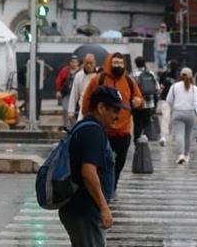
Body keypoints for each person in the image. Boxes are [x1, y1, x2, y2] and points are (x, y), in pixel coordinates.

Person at [28, 86, 125, 247]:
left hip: (77, 209)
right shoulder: (93, 131)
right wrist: (104, 207)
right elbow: (88, 172)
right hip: (84, 210)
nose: (118, 115)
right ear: (101, 107)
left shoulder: (87, 128)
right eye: (114, 110)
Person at [81, 52, 144, 188]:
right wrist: (88, 118)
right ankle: (102, 188)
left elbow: (140, 99)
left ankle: (111, 187)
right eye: (115, 63)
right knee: (101, 162)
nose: (118, 66)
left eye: (121, 63)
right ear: (109, 63)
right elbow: (86, 100)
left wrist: (137, 102)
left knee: (119, 163)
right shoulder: (98, 80)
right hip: (103, 130)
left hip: (123, 131)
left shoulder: (129, 81)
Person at [164, 67, 197, 164]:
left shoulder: (174, 86)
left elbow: (168, 100)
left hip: (178, 113)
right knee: (188, 136)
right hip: (190, 114)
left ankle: (181, 154)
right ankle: (186, 155)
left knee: (179, 135)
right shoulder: (194, 88)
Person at [132, 56, 158, 144]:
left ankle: (137, 141)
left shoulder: (134, 75)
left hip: (138, 104)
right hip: (150, 104)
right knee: (146, 123)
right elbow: (156, 88)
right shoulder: (151, 73)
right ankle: (146, 141)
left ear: (136, 64)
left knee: (137, 122)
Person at [67, 52, 97, 123]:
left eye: (91, 63)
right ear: (83, 63)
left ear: (95, 63)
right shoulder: (79, 76)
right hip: (83, 110)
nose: (89, 65)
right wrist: (71, 112)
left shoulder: (99, 75)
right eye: (87, 63)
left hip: (96, 110)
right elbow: (74, 94)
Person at [55, 55, 79, 129]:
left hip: (77, 95)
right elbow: (58, 80)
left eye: (75, 62)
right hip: (67, 94)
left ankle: (75, 126)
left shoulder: (81, 72)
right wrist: (58, 90)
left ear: (78, 63)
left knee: (75, 111)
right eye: (72, 62)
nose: (73, 63)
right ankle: (66, 126)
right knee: (65, 109)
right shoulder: (65, 70)